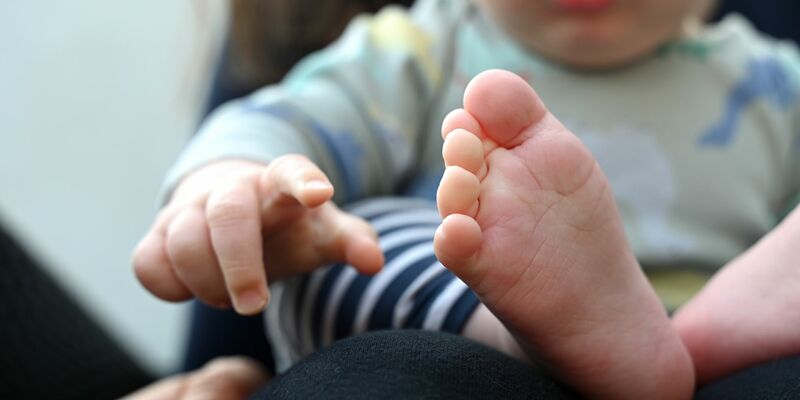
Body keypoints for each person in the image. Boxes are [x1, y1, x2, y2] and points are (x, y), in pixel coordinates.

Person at [132, 0, 800, 398]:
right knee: (347, 239)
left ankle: (691, 335)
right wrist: (229, 181)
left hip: (688, 350)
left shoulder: (776, 79)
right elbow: (285, 119)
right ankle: (531, 337)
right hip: (461, 323)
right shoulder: (422, 48)